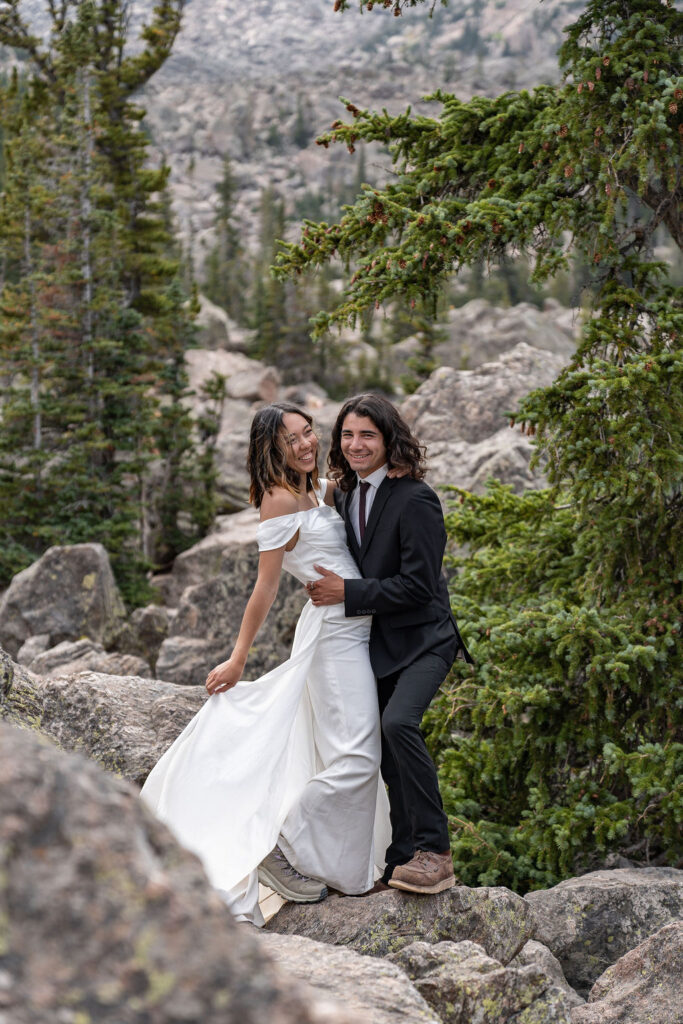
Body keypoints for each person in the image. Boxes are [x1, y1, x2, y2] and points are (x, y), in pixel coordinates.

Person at [140, 402, 391, 926]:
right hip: (334, 637)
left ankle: (329, 858)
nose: (304, 444)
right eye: (290, 440)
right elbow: (266, 586)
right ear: (270, 449)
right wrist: (237, 659)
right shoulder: (278, 501)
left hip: (358, 627)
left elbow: (366, 486)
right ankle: (277, 845)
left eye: (307, 433)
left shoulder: (317, 488)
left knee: (339, 753)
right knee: (358, 757)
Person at [307, 393, 472, 895]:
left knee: (399, 723)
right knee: (379, 748)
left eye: (368, 436)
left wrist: (348, 593)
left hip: (426, 638)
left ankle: (435, 852)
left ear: (389, 439)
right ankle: (401, 858)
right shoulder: (344, 493)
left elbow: (421, 586)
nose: (356, 445)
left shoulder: (416, 498)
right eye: (348, 435)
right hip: (377, 645)